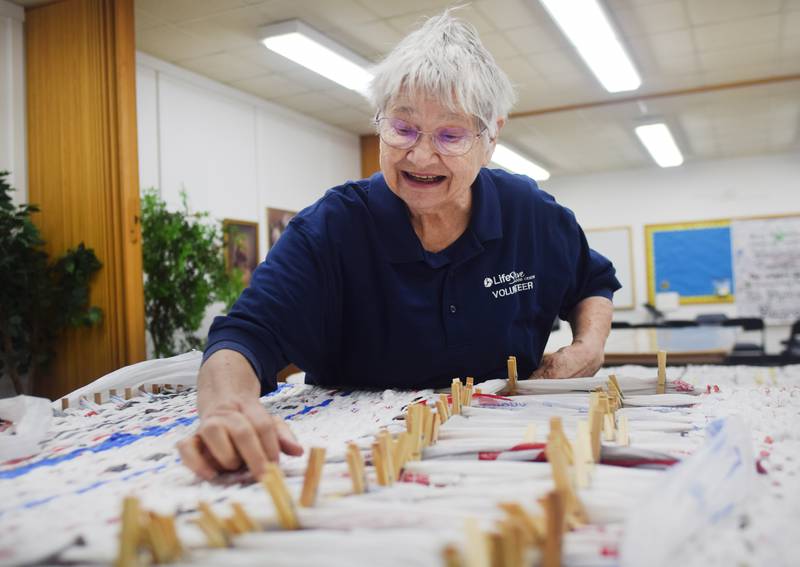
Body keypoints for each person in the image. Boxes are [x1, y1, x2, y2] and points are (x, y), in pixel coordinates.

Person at [178, 10, 621, 480]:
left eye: (451, 135)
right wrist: (227, 406)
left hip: (508, 451)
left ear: (491, 138)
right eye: (403, 129)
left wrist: (589, 344)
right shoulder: (331, 227)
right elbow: (245, 335)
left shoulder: (529, 212)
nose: (421, 155)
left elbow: (590, 281)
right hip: (364, 463)